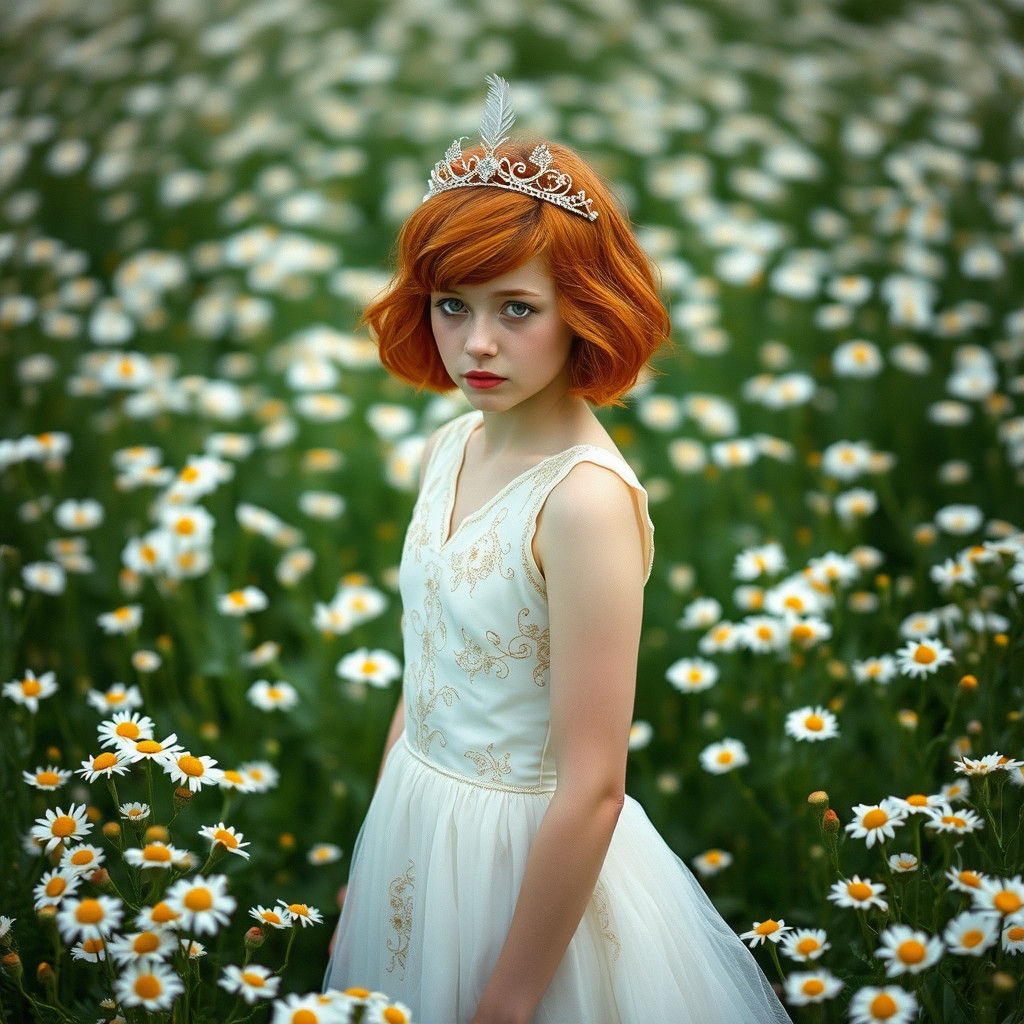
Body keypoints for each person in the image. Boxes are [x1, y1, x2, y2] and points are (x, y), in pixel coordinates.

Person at [322, 75, 792, 1024]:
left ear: (584, 307)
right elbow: (429, 671)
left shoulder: (582, 503)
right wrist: (371, 868)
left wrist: (510, 999)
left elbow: (594, 788)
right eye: (451, 306)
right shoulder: (452, 444)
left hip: (525, 868)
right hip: (417, 826)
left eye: (516, 309)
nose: (476, 345)